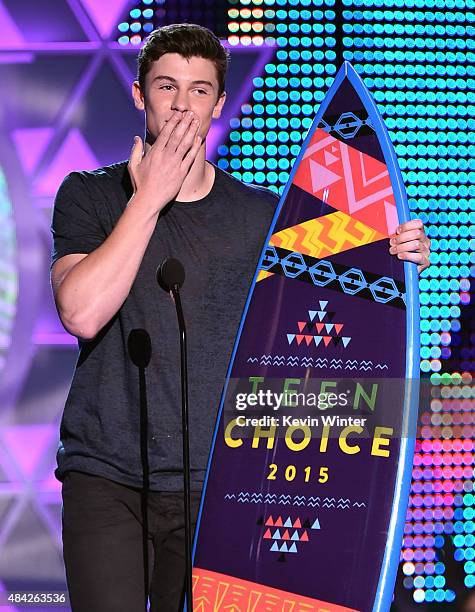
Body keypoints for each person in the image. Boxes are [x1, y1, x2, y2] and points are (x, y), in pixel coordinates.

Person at [50, 23, 431, 612]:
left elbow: (338, 303)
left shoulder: (261, 218)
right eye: (166, 86)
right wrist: (149, 196)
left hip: (222, 483)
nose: (181, 104)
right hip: (107, 476)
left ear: (219, 104)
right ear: (138, 95)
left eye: (199, 91)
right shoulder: (90, 195)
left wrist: (397, 256)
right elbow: (82, 312)